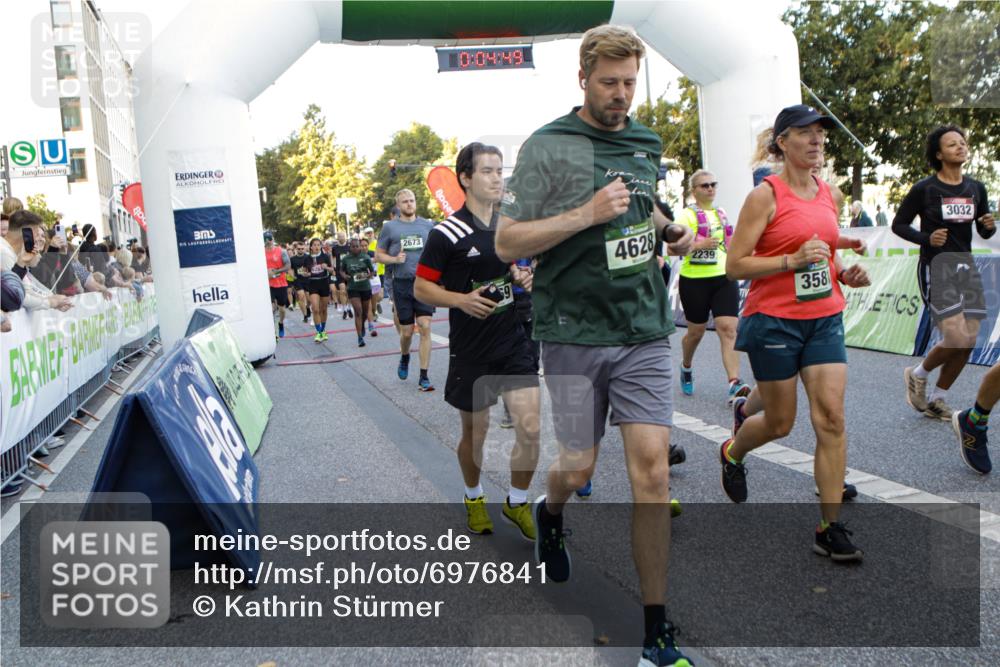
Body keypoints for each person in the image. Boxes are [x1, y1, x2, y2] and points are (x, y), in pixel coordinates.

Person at [495, 25, 695, 666]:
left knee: (653, 473)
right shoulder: (550, 146)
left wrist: (669, 227)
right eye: (608, 83)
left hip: (643, 328)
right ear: (582, 78)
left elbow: (644, 201)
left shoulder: (645, 139)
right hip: (575, 332)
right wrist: (585, 213)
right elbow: (507, 242)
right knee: (579, 466)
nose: (620, 95)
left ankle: (657, 628)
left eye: (630, 83)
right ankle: (552, 513)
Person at [722, 104, 871, 563]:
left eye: (821, 135)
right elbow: (735, 265)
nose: (816, 141)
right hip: (774, 321)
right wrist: (789, 262)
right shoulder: (764, 196)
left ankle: (830, 527)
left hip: (824, 317)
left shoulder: (830, 192)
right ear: (782, 142)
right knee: (782, 422)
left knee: (830, 418)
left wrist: (843, 272)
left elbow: (823, 249)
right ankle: (733, 450)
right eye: (805, 134)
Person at [415, 142, 540, 539]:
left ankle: (517, 502)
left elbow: (518, 269)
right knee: (476, 433)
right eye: (487, 171)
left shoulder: (509, 226)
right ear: (465, 178)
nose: (496, 178)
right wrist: (460, 300)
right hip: (471, 349)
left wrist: (522, 277)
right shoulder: (446, 233)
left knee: (531, 428)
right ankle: (473, 496)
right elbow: (421, 288)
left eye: (500, 170)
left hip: (511, 340)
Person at [893, 125, 995, 419]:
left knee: (970, 340)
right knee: (956, 337)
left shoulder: (976, 188)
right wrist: (926, 238)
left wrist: (988, 226)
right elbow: (898, 224)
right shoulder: (925, 189)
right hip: (937, 266)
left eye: (962, 142)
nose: (960, 147)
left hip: (967, 266)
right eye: (952, 144)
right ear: (939, 154)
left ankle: (938, 398)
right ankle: (918, 372)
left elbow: (983, 231)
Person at [675, 169, 751, 403]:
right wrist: (700, 245)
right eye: (704, 185)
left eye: (712, 184)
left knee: (728, 328)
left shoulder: (722, 214)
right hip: (694, 280)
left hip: (722, 276)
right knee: (695, 333)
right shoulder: (686, 216)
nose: (710, 188)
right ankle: (686, 365)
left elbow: (732, 241)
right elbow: (674, 248)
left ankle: (733, 383)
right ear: (694, 191)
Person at [376, 189, 436, 391]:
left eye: (412, 200)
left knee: (425, 326)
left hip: (424, 282)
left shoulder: (427, 226)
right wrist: (394, 259)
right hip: (401, 284)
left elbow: (438, 251)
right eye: (405, 202)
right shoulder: (390, 228)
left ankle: (424, 375)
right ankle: (404, 356)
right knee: (408, 331)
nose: (409, 204)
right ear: (398, 205)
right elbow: (378, 255)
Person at [1, 211, 73, 312]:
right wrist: (50, 302)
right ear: (26, 234)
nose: (39, 240)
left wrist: (53, 298)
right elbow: (17, 295)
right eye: (37, 234)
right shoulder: (3, 253)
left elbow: (28, 287)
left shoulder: (14, 253)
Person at [339, 238, 376, 347]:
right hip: (352, 288)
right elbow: (341, 270)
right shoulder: (346, 259)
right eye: (353, 246)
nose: (355, 248)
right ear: (350, 247)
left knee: (364, 312)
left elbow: (372, 271)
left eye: (357, 246)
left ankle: (362, 325)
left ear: (360, 246)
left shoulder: (365, 257)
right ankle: (360, 337)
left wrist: (369, 275)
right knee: (358, 311)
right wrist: (344, 276)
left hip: (365, 287)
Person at [304, 237, 333, 342]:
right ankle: (319, 332)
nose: (316, 247)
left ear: (321, 246)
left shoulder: (325, 256)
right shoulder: (307, 259)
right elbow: (305, 271)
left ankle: (323, 330)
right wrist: (306, 273)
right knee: (315, 309)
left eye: (318, 244)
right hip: (313, 284)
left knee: (323, 309)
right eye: (314, 245)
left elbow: (332, 271)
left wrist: (326, 268)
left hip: (324, 283)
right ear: (311, 247)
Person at [264, 231, 291, 338]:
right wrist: (266, 272)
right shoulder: (260, 252)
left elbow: (288, 265)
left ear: (273, 239)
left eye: (269, 239)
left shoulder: (281, 251)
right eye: (266, 240)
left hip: (280, 283)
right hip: (268, 284)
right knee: (270, 307)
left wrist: (276, 272)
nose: (268, 242)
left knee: (282, 309)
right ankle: (272, 330)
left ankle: (280, 323)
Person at [288, 241, 311, 322]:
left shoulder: (308, 257)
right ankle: (305, 316)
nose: (300, 250)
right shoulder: (292, 259)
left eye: (302, 249)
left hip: (308, 280)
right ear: (296, 249)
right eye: (299, 249)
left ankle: (308, 307)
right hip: (298, 280)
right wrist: (292, 276)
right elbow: (290, 269)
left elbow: (312, 268)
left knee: (309, 300)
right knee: (301, 296)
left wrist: (309, 273)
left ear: (304, 248)